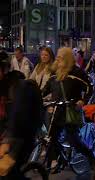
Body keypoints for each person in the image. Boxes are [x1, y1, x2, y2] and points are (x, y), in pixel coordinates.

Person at [42, 47, 95, 169]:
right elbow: (46, 89)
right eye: (58, 57)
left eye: (61, 57)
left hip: (70, 110)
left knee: (73, 140)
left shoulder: (77, 73)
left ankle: (90, 157)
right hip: (56, 110)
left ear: (67, 58)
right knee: (51, 137)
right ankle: (55, 161)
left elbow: (89, 88)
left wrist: (82, 101)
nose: (58, 59)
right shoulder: (54, 73)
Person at [0, 50, 43, 179]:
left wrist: (7, 142)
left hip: (21, 136)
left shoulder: (18, 87)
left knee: (8, 172)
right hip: (5, 133)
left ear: (5, 69)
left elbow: (17, 116)